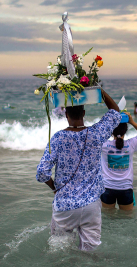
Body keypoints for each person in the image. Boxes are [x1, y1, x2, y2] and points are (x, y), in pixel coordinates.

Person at [36, 89, 121, 251]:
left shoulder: (58, 138)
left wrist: (55, 188)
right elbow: (115, 112)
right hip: (91, 206)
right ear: (83, 112)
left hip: (65, 206)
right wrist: (99, 91)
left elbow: (41, 173)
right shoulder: (97, 133)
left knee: (59, 252)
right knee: (90, 254)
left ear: (66, 114)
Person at [100, 111, 137, 211]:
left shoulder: (103, 144)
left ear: (111, 131)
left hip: (107, 188)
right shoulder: (131, 144)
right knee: (126, 219)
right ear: (125, 130)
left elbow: (94, 135)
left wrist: (107, 123)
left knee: (109, 220)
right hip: (126, 188)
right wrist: (132, 122)